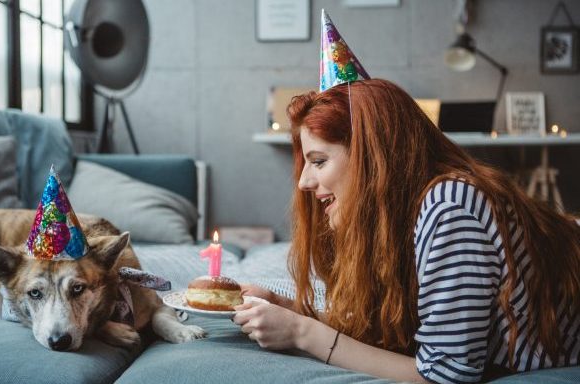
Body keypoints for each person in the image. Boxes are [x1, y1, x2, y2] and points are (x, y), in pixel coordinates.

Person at [232, 79, 580, 383]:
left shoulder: (449, 207)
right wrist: (289, 308)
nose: (305, 182)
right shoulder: (405, 215)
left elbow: (445, 375)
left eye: (319, 161)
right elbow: (398, 337)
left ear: (374, 156)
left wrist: (300, 332)